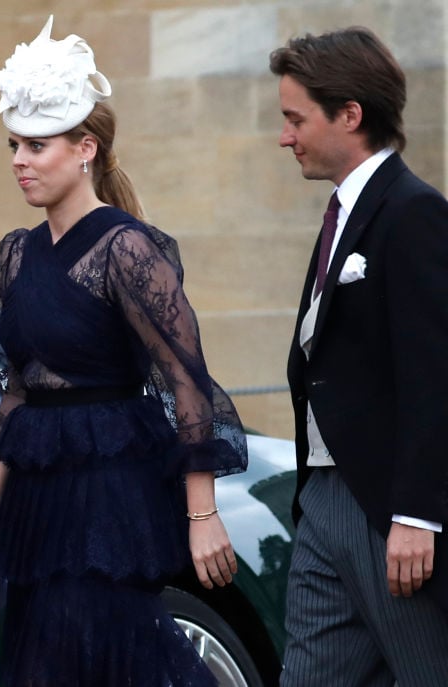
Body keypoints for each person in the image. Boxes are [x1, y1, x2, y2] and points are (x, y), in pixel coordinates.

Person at [0, 17, 247, 686]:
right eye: (14, 144)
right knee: (42, 663)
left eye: (37, 145)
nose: (19, 159)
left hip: (111, 491)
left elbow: (186, 382)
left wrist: (203, 515)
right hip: (37, 501)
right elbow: (15, 394)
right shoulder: (17, 253)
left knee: (112, 655)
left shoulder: (126, 248)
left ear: (85, 148)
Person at [271, 27, 448, 686]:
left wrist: (417, 515)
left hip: (387, 511)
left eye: (296, 119)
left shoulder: (415, 212)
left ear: (350, 114)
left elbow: (434, 376)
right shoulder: (342, 213)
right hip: (322, 500)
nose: (285, 137)